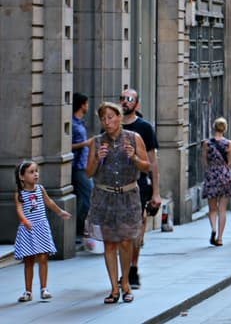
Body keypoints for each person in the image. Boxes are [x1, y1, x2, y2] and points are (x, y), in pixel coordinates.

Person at [86, 101, 151, 304]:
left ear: (119, 117)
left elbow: (147, 167)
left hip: (128, 196)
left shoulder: (133, 138)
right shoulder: (97, 142)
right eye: (103, 118)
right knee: (110, 243)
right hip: (104, 197)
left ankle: (125, 282)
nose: (107, 122)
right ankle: (114, 288)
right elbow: (88, 172)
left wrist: (134, 157)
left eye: (110, 117)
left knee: (125, 241)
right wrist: (97, 158)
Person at [120, 89, 161, 289]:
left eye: (129, 99)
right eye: (122, 98)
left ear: (136, 105)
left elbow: (153, 161)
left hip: (139, 183)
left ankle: (132, 268)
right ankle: (123, 270)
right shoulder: (112, 126)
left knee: (136, 227)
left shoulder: (144, 128)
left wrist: (156, 192)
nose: (125, 102)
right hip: (116, 185)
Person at [14, 160, 71, 302]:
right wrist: (25, 221)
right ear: (22, 177)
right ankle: (28, 292)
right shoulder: (20, 194)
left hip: (41, 228)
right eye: (31, 172)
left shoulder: (40, 189)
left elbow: (49, 202)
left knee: (43, 258)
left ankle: (44, 289)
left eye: (36, 171)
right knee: (28, 260)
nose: (35, 174)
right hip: (28, 229)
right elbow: (19, 209)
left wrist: (60, 212)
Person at [202, 117, 231, 247]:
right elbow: (230, 162)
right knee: (222, 209)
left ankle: (213, 229)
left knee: (212, 208)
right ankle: (220, 238)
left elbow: (205, 161)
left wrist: (211, 169)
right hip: (224, 175)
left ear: (214, 127)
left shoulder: (206, 143)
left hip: (212, 174)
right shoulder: (228, 143)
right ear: (224, 128)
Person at [71, 92, 93, 241]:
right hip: (78, 166)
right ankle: (78, 230)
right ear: (82, 105)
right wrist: (85, 143)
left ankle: (81, 229)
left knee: (84, 198)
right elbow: (67, 146)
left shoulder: (80, 122)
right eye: (86, 103)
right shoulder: (72, 124)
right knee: (88, 197)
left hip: (84, 165)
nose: (88, 106)